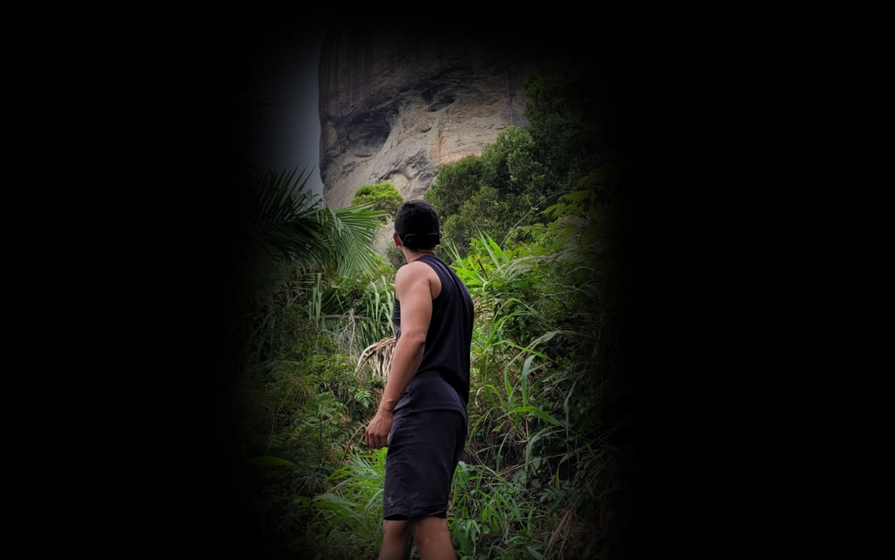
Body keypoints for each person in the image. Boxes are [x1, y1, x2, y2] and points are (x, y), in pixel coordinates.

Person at [365, 199, 475, 560]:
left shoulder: (413, 273)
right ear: (438, 237)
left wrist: (385, 409)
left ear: (398, 240)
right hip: (449, 407)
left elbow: (413, 339)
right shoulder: (456, 285)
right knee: (398, 525)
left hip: (424, 405)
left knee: (427, 525)